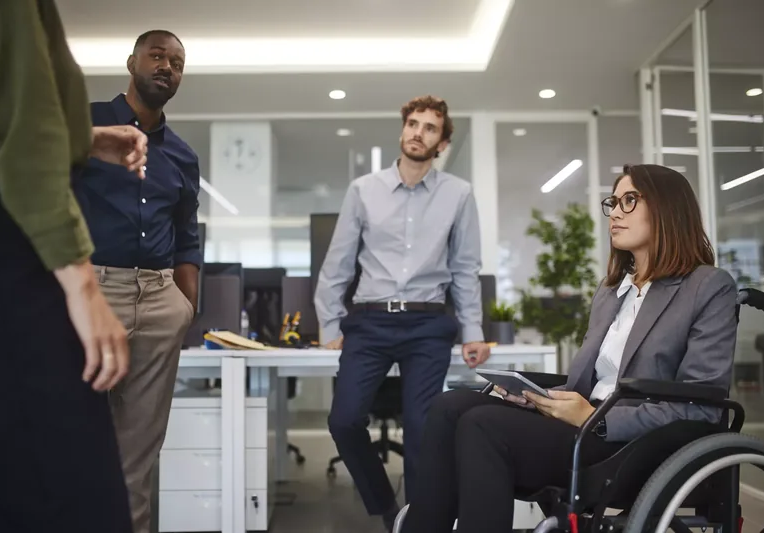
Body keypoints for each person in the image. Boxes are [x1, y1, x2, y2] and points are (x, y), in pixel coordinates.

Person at [399, 164, 739, 533]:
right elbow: (587, 383)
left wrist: (599, 417)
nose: (616, 213)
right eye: (614, 202)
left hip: (632, 441)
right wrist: (537, 398)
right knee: (451, 405)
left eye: (630, 200)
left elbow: (700, 407)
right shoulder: (612, 291)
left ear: (668, 208)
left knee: (483, 425)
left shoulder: (708, 287)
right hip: (588, 419)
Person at [0, 1, 150, 532]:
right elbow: (22, 127)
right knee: (72, 488)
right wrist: (83, 286)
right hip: (12, 246)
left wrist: (83, 139)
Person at [314, 95, 492, 532]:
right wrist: (328, 321)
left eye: (430, 128)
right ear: (402, 130)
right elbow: (339, 262)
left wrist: (472, 330)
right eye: (413, 123)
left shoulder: (458, 194)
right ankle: (388, 508)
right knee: (344, 419)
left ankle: (419, 522)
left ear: (442, 142)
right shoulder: (363, 190)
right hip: (370, 322)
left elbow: (465, 269)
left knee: (422, 426)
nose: (418, 132)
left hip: (428, 324)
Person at [71, 29, 201, 533]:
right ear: (131, 61)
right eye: (157, 55)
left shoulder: (183, 156)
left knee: (136, 461)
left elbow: (187, 238)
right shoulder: (84, 124)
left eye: (178, 62)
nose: (168, 66)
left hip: (159, 302)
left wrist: (185, 308)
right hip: (92, 295)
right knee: (71, 444)